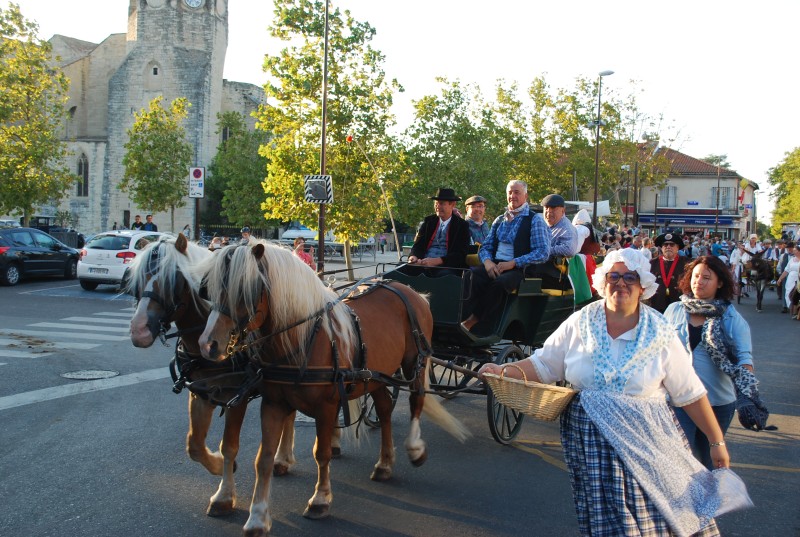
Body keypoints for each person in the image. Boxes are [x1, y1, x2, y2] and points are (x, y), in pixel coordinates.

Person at [479, 248, 750, 536]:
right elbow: (544, 364)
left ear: (642, 285)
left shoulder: (660, 331)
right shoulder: (580, 322)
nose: (621, 283)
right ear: (602, 281)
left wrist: (716, 441)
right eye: (614, 276)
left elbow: (690, 394)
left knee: (658, 519)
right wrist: (502, 371)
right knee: (610, 524)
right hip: (590, 446)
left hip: (647, 446)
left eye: (630, 277)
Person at [663, 256, 757, 469]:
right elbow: (656, 351)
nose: (699, 281)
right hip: (679, 400)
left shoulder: (731, 318)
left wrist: (747, 395)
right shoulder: (674, 310)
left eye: (706, 277)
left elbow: (745, 359)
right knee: (681, 462)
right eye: (696, 276)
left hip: (717, 402)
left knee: (709, 463)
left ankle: (711, 501)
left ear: (720, 283)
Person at [460, 180, 550, 332]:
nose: (512, 196)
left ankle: (473, 322)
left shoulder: (535, 220)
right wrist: (488, 262)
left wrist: (514, 263)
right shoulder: (499, 219)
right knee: (469, 276)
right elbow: (486, 246)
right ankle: (461, 316)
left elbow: (542, 252)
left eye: (517, 192)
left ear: (525, 196)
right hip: (496, 264)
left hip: (520, 269)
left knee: (500, 284)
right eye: (510, 192)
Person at [404, 187, 470, 276]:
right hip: (423, 263)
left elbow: (460, 254)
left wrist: (437, 261)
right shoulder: (428, 221)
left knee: (444, 276)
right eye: (436, 203)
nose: (438, 206)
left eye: (442, 203)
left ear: (452, 204)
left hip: (447, 266)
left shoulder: (462, 225)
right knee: (399, 272)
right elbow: (418, 245)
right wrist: (413, 257)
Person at [648, 232, 688, 313]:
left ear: (677, 248)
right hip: (657, 305)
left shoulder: (686, 263)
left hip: (678, 306)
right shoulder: (652, 263)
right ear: (661, 248)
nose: (668, 247)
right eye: (665, 245)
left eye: (672, 245)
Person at [776, 242, 800, 314]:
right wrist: (780, 279)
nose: (793, 251)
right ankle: (792, 309)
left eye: (795, 250)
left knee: (796, 294)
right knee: (789, 293)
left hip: (798, 278)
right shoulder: (791, 259)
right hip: (790, 278)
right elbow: (786, 270)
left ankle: (797, 310)